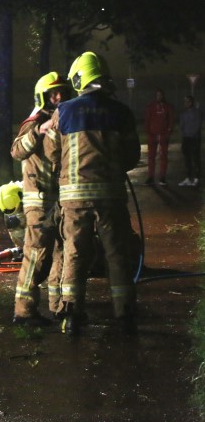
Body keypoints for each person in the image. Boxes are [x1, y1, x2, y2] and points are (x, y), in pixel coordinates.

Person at [44, 51, 140, 336]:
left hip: (74, 199)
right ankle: (124, 315)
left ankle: (71, 314)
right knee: (117, 254)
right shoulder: (121, 112)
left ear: (78, 78)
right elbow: (132, 156)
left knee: (75, 252)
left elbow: (51, 152)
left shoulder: (65, 111)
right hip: (111, 196)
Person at [8, 72, 71, 326]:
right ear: (42, 97)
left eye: (62, 92)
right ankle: (24, 312)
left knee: (61, 254)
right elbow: (16, 150)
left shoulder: (66, 119)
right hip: (39, 200)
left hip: (60, 199)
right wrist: (39, 130)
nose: (58, 97)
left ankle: (58, 307)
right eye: (53, 93)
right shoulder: (34, 121)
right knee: (36, 255)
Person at [144, 88, 174, 185]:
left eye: (161, 95)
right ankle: (150, 176)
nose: (159, 96)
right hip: (152, 135)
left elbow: (171, 120)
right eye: (158, 95)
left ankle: (162, 177)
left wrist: (168, 132)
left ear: (163, 96)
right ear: (155, 96)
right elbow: (147, 120)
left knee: (163, 156)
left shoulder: (167, 107)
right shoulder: (151, 107)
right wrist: (148, 132)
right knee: (151, 156)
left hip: (163, 135)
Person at [178, 95, 201, 186]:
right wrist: (185, 133)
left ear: (191, 102)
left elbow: (197, 125)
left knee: (195, 158)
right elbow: (181, 125)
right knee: (187, 159)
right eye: (184, 101)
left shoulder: (197, 112)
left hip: (194, 138)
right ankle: (188, 177)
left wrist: (191, 133)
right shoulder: (183, 113)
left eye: (187, 101)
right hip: (186, 138)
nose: (186, 103)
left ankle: (196, 178)